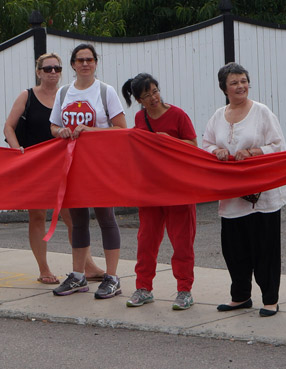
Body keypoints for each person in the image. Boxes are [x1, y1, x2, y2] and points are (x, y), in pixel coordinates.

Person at [3, 53, 104, 285]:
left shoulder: (67, 95)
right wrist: (17, 151)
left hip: (63, 164)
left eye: (56, 68)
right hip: (34, 166)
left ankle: (86, 266)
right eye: (47, 69)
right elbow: (9, 126)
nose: (52, 73)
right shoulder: (27, 96)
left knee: (73, 216)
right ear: (38, 72)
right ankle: (44, 268)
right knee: (37, 215)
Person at [203, 62, 286, 317]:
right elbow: (206, 143)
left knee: (265, 248)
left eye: (243, 81)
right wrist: (216, 151)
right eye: (234, 82)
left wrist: (253, 152)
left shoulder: (262, 112)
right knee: (233, 248)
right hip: (231, 196)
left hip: (262, 195)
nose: (241, 86)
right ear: (224, 88)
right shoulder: (218, 116)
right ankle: (240, 296)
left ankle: (270, 299)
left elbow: (278, 146)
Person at [49, 44, 127, 299]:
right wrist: (59, 131)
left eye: (89, 60)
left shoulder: (106, 91)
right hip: (73, 167)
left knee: (106, 218)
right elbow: (54, 125)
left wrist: (90, 130)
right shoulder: (63, 93)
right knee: (79, 221)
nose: (85, 64)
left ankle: (112, 277)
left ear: (96, 63)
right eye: (80, 60)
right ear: (72, 64)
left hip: (100, 166)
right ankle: (78, 275)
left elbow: (121, 129)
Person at [121, 73, 197, 310]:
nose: (153, 98)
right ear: (139, 100)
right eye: (146, 95)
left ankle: (184, 290)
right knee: (146, 241)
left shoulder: (178, 115)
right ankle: (143, 288)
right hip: (150, 189)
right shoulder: (139, 117)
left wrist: (169, 141)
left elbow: (194, 146)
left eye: (155, 91)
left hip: (178, 188)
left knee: (182, 242)